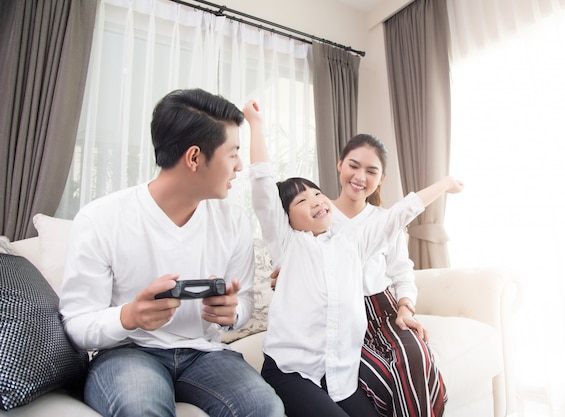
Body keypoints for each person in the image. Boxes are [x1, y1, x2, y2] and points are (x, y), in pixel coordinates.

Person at [59, 89, 284, 417]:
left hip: (204, 355)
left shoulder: (232, 221)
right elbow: (76, 323)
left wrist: (232, 312)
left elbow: (245, 304)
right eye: (233, 153)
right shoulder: (101, 219)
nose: (239, 166)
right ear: (194, 158)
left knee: (266, 408)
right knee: (139, 408)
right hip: (130, 352)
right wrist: (129, 316)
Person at [242, 100, 463, 417]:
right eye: (303, 201)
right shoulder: (288, 243)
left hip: (339, 377)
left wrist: (443, 185)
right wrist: (256, 124)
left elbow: (397, 217)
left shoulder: (351, 243)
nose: (317, 201)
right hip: (293, 371)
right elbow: (262, 187)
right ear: (286, 219)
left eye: (317, 193)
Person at [333, 134, 447, 417]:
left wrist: (405, 307)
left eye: (371, 171)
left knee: (417, 357)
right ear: (339, 165)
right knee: (383, 379)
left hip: (385, 311)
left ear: (382, 178)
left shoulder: (386, 219)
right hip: (342, 319)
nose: (360, 177)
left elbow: (401, 272)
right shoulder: (319, 215)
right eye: (353, 166)